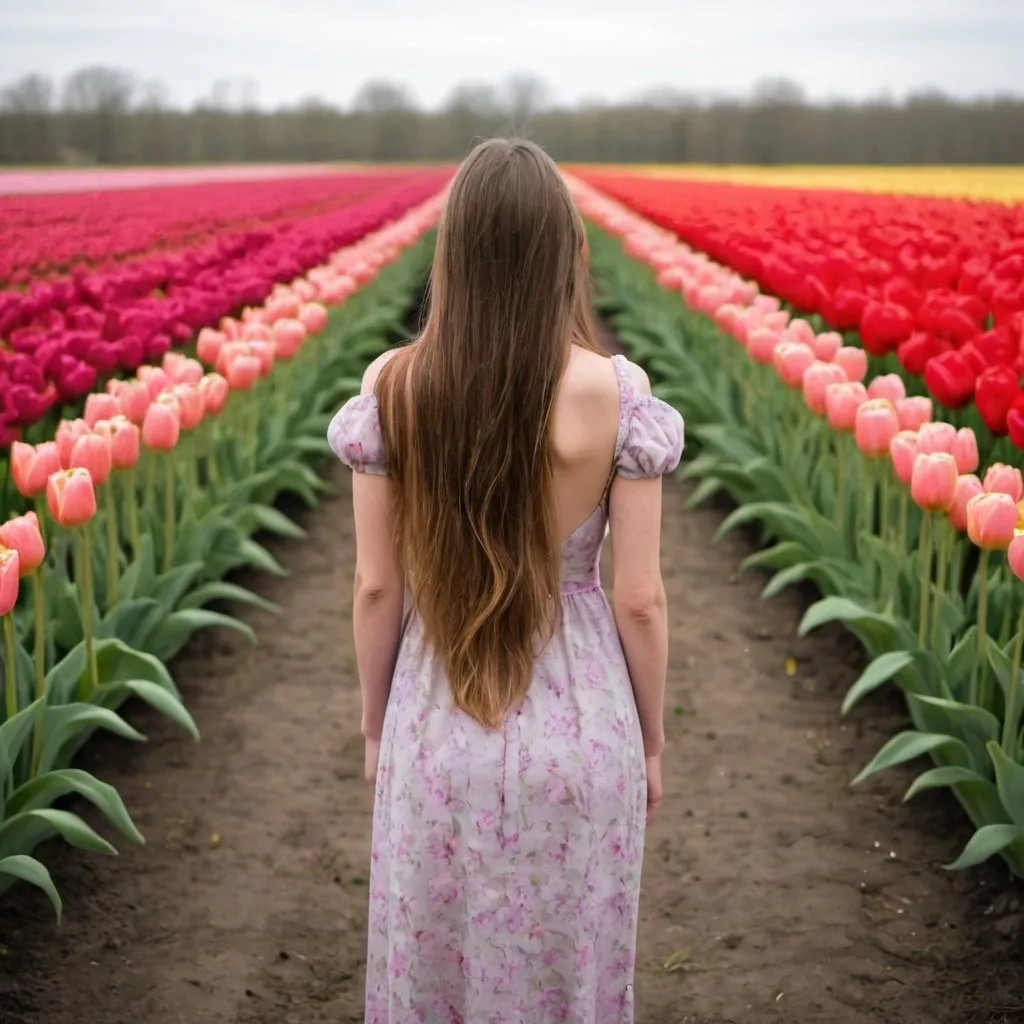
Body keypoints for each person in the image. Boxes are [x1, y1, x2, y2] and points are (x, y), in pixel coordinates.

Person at [328, 138, 683, 1024]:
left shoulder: (395, 388)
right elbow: (640, 596)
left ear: (453, 253)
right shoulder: (619, 394)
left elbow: (377, 586)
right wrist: (650, 740)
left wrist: (377, 727)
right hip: (582, 717)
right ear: (563, 253)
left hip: (438, 714)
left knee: (436, 969)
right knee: (573, 966)